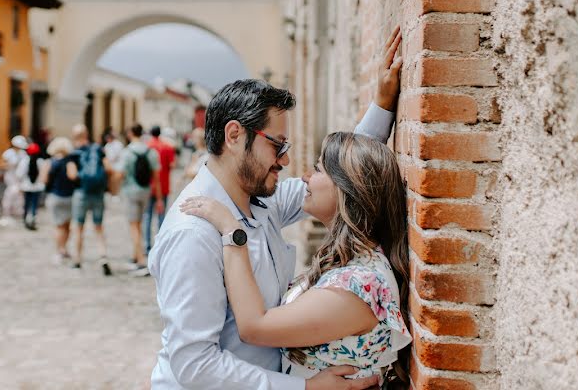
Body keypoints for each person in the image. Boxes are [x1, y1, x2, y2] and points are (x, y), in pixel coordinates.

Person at [147, 25, 402, 389]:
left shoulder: (262, 200)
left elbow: (342, 180)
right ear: (235, 136)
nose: (284, 160)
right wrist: (305, 389)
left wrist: (382, 104)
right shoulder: (192, 234)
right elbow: (195, 365)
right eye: (277, 146)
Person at [181, 132, 411, 385]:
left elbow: (254, 327)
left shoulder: (359, 285)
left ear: (348, 189)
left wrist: (233, 232)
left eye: (317, 169)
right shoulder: (352, 263)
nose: (305, 178)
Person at [69, 124, 113, 275]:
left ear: (75, 136)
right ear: (86, 134)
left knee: (78, 228)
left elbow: (72, 175)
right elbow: (108, 168)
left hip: (81, 192)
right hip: (98, 193)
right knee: (99, 227)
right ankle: (103, 256)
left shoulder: (74, 153)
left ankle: (77, 260)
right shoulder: (98, 149)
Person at [119, 123, 161, 276]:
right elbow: (156, 176)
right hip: (145, 192)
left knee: (133, 226)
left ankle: (141, 260)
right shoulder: (150, 151)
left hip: (130, 191)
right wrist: (159, 198)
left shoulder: (127, 152)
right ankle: (136, 255)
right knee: (140, 224)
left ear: (130, 133)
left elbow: (121, 173)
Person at [41, 137, 78, 262]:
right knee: (67, 226)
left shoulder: (49, 162)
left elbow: (43, 180)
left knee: (58, 226)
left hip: (55, 196)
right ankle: (64, 248)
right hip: (69, 197)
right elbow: (73, 177)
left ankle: (59, 250)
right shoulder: (70, 162)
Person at [144, 125, 176, 254]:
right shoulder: (167, 147)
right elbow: (172, 165)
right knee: (162, 216)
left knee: (147, 217)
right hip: (163, 186)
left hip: (149, 186)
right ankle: (161, 245)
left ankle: (147, 246)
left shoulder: (147, 146)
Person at [0, 135, 29, 227]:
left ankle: (16, 213)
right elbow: (2, 164)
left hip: (19, 178)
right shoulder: (8, 153)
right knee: (10, 195)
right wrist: (11, 165)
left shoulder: (23, 154)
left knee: (19, 196)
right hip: (10, 177)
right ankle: (6, 214)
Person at [22, 142, 45, 230]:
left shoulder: (25, 161)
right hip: (37, 187)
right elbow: (43, 174)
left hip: (27, 186)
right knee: (35, 204)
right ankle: (33, 218)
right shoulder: (41, 162)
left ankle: (25, 218)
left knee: (27, 203)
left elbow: (19, 173)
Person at [102, 127, 125, 196]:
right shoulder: (107, 146)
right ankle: (112, 193)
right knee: (111, 182)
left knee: (117, 182)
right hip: (110, 166)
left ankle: (116, 194)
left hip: (118, 166)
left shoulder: (118, 144)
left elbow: (115, 156)